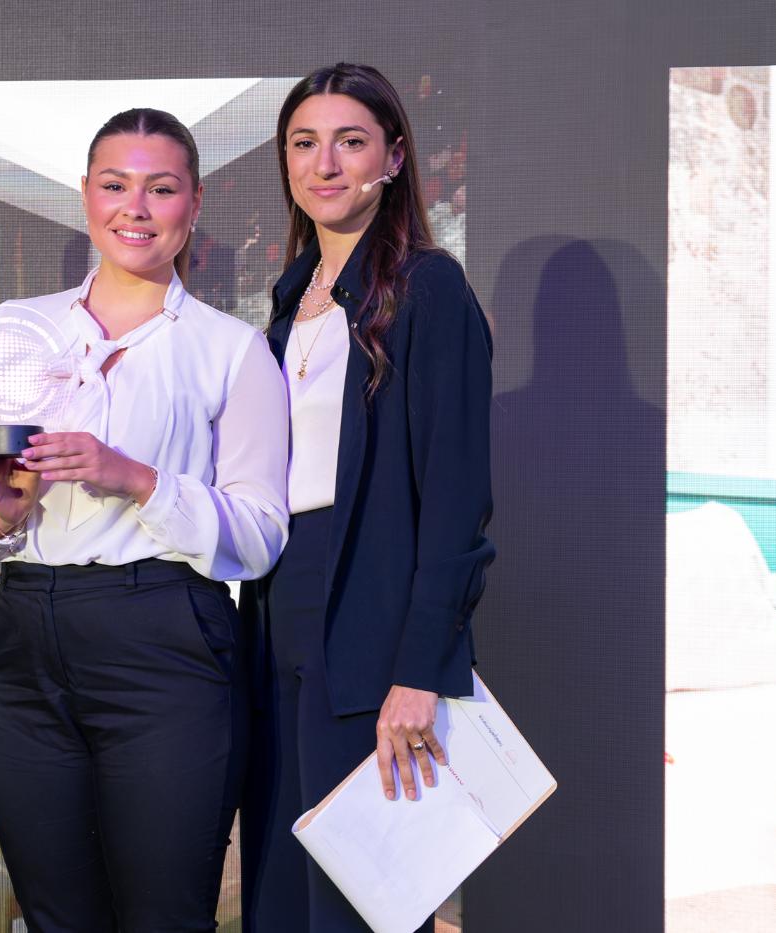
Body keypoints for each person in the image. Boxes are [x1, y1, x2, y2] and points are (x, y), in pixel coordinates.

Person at [0, 108, 289, 932]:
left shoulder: (232, 350)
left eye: (160, 188)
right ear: (85, 195)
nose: (136, 207)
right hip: (27, 639)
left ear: (194, 202)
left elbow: (262, 533)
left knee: (165, 916)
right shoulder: (16, 331)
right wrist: (1, 509)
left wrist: (132, 478)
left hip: (165, 643)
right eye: (115, 185)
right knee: (55, 916)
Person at [238, 64, 496, 932]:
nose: (325, 164)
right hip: (275, 612)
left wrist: (420, 670)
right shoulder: (287, 302)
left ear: (392, 157)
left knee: (356, 904)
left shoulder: (429, 289)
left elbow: (457, 502)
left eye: (350, 142)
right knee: (279, 894)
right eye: (304, 143)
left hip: (368, 621)